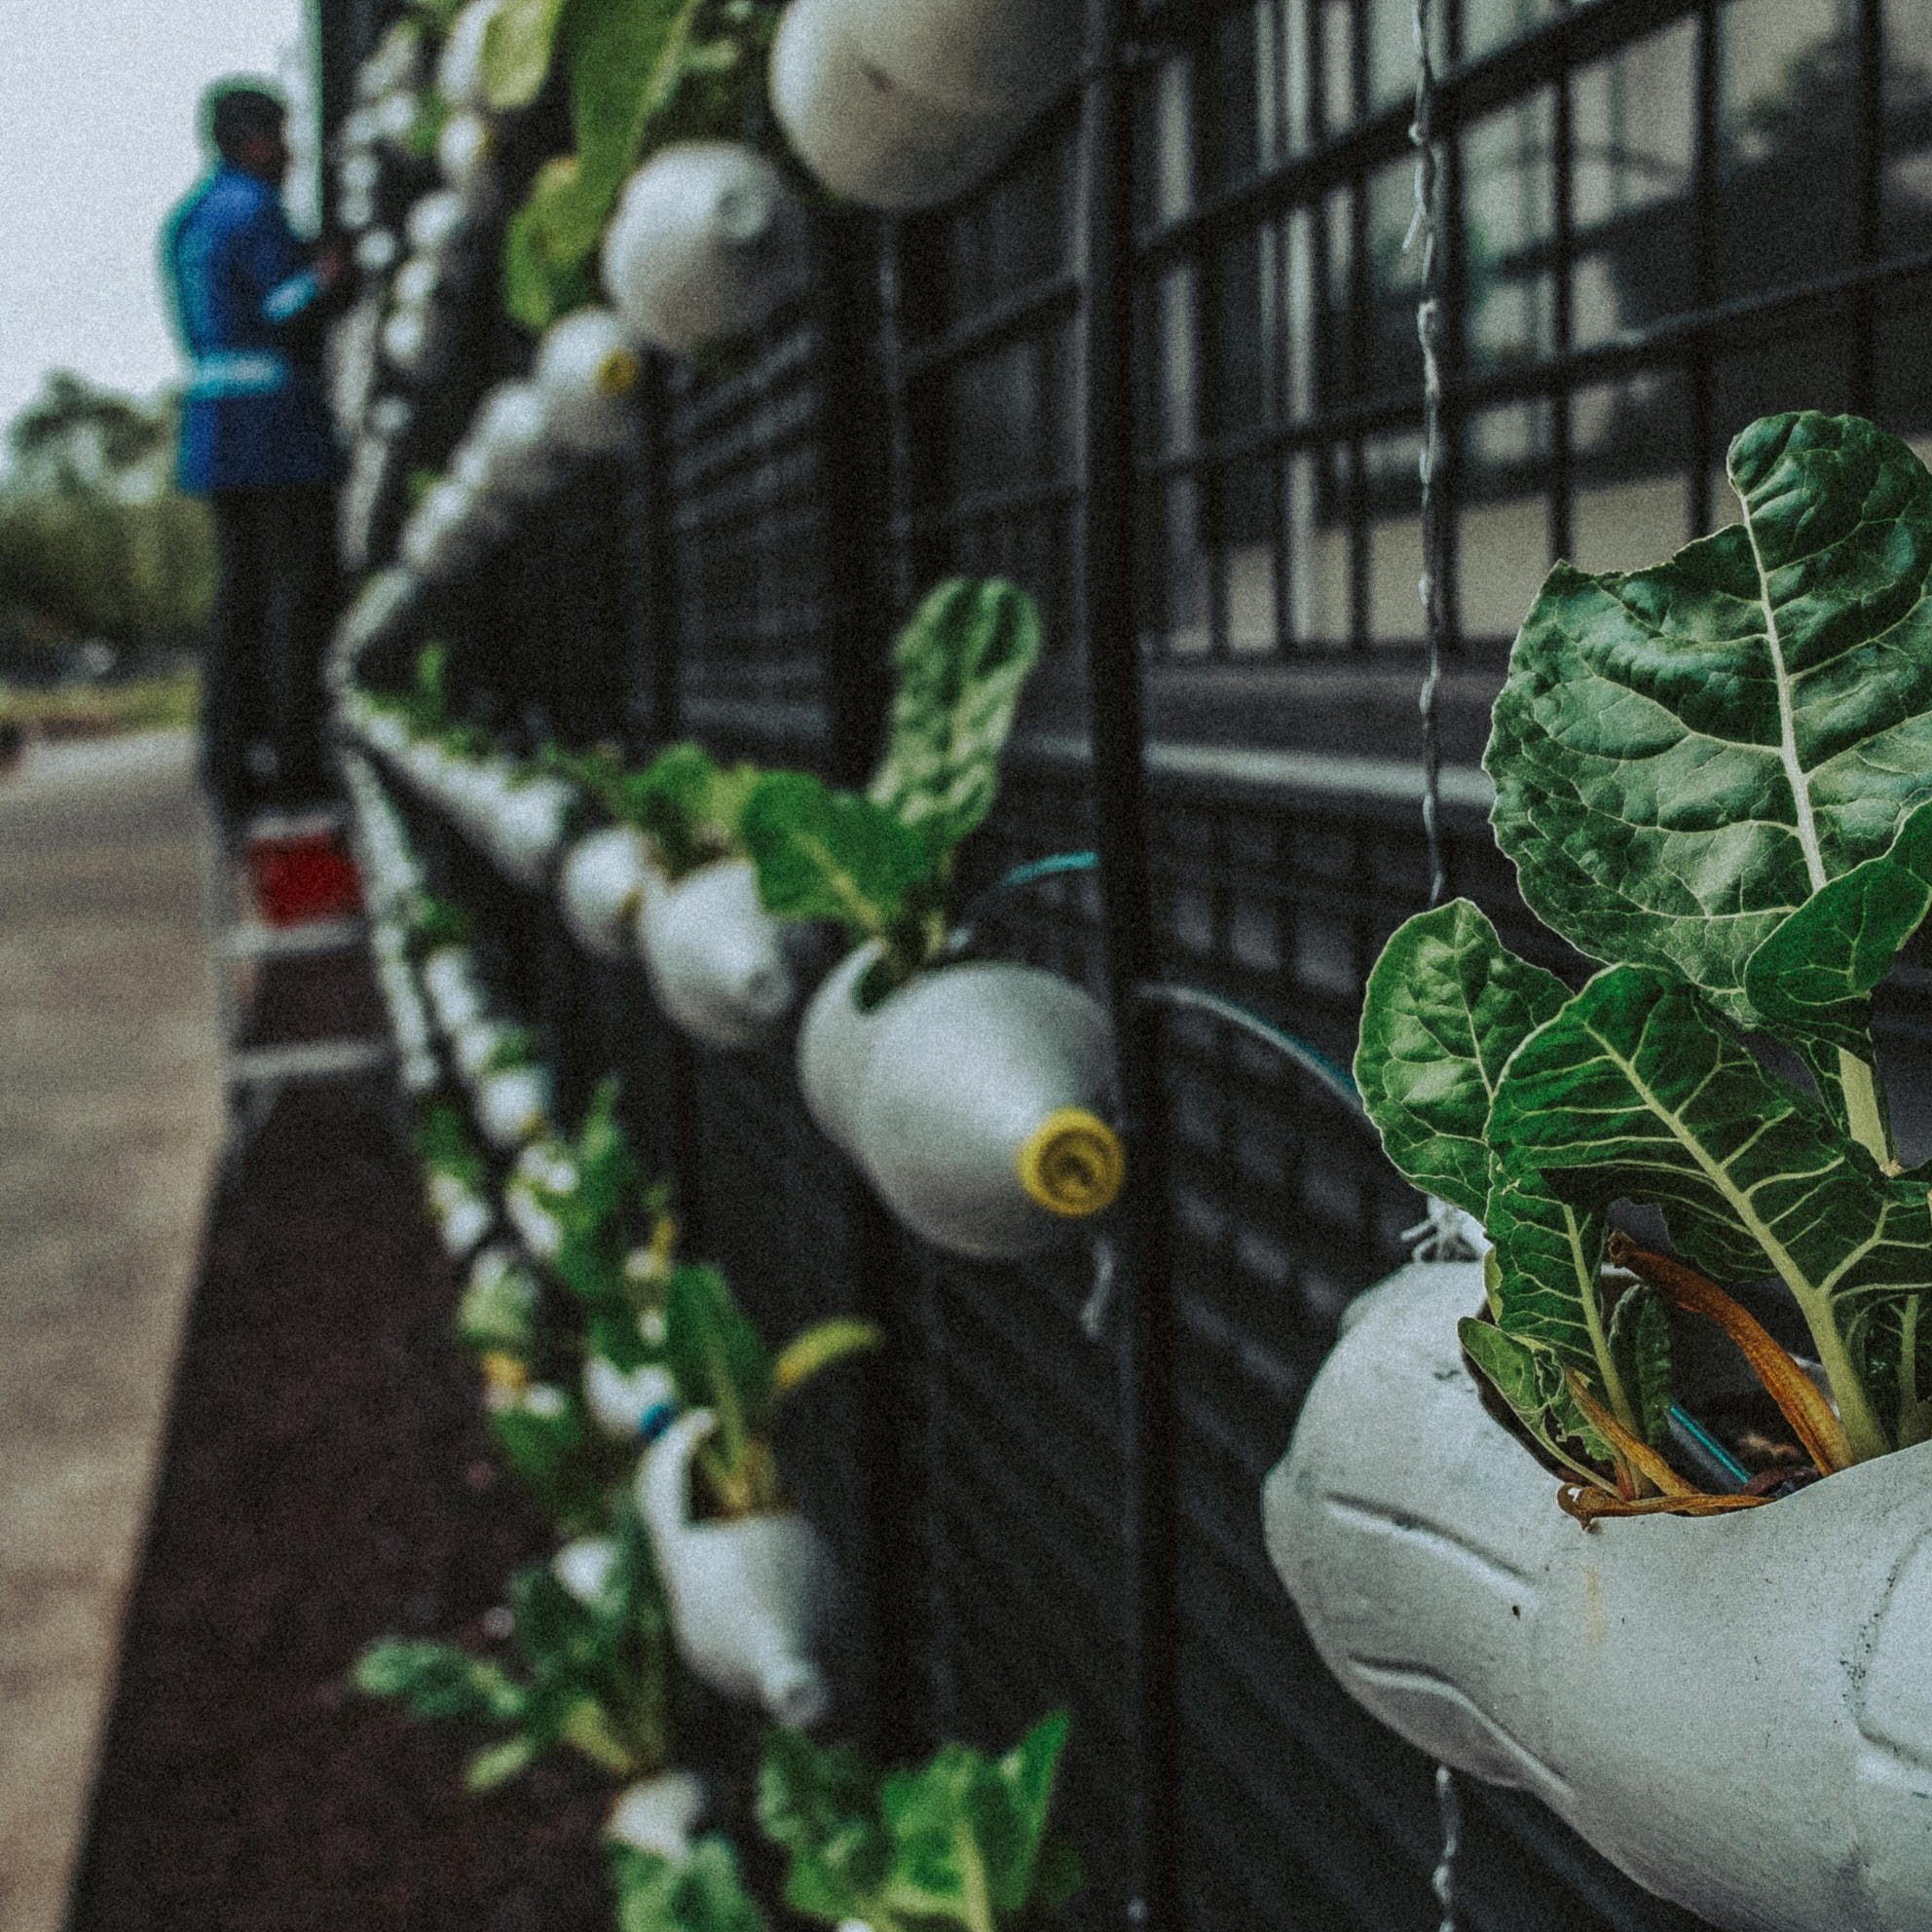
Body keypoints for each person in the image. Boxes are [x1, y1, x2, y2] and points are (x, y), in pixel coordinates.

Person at [161, 80, 348, 826]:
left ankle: (230, 761)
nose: (291, 153)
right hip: (274, 430)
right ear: (251, 139)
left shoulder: (187, 219)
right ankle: (295, 759)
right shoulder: (252, 208)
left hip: (215, 429)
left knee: (238, 600)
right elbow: (284, 306)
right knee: (293, 597)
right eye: (281, 135)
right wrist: (331, 279)